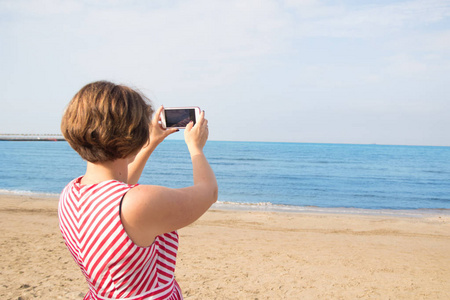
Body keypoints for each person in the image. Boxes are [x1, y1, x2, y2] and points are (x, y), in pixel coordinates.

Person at [58, 81, 218, 300]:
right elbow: (208, 192)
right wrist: (195, 148)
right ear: (133, 134)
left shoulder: (71, 193)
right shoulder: (138, 203)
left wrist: (150, 142)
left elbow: (114, 191)